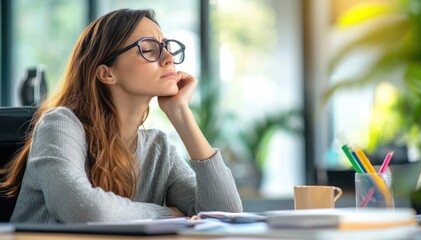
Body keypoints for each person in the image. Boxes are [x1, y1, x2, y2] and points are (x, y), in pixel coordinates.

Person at [0, 8, 242, 223]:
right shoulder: (59, 125)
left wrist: (180, 112)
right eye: (149, 49)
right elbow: (81, 210)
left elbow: (226, 213)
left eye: (168, 48)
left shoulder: (159, 150)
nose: (169, 59)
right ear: (106, 73)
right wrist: (166, 213)